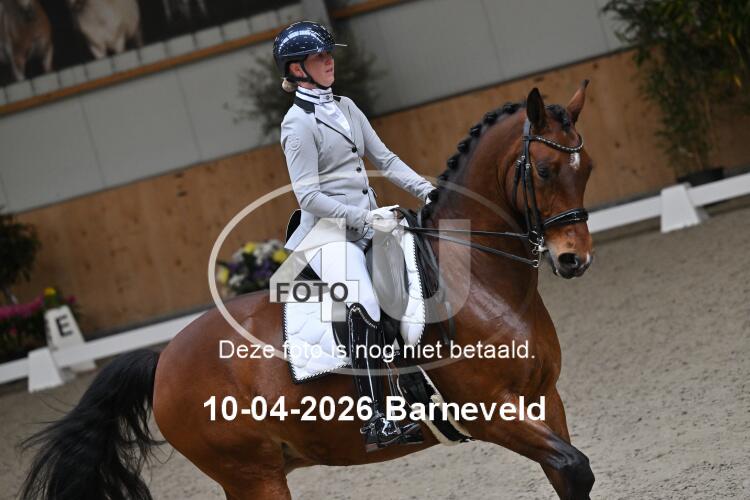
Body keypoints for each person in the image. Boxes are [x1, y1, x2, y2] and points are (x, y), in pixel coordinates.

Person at [273, 21, 434, 452]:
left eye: (329, 54)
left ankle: (415, 385)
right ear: (297, 69)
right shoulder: (297, 124)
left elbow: (386, 159)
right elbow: (308, 196)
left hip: (368, 222)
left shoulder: (346, 106)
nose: (330, 61)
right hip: (326, 234)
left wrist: (430, 192)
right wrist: (361, 219)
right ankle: (375, 417)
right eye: (319, 57)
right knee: (364, 301)